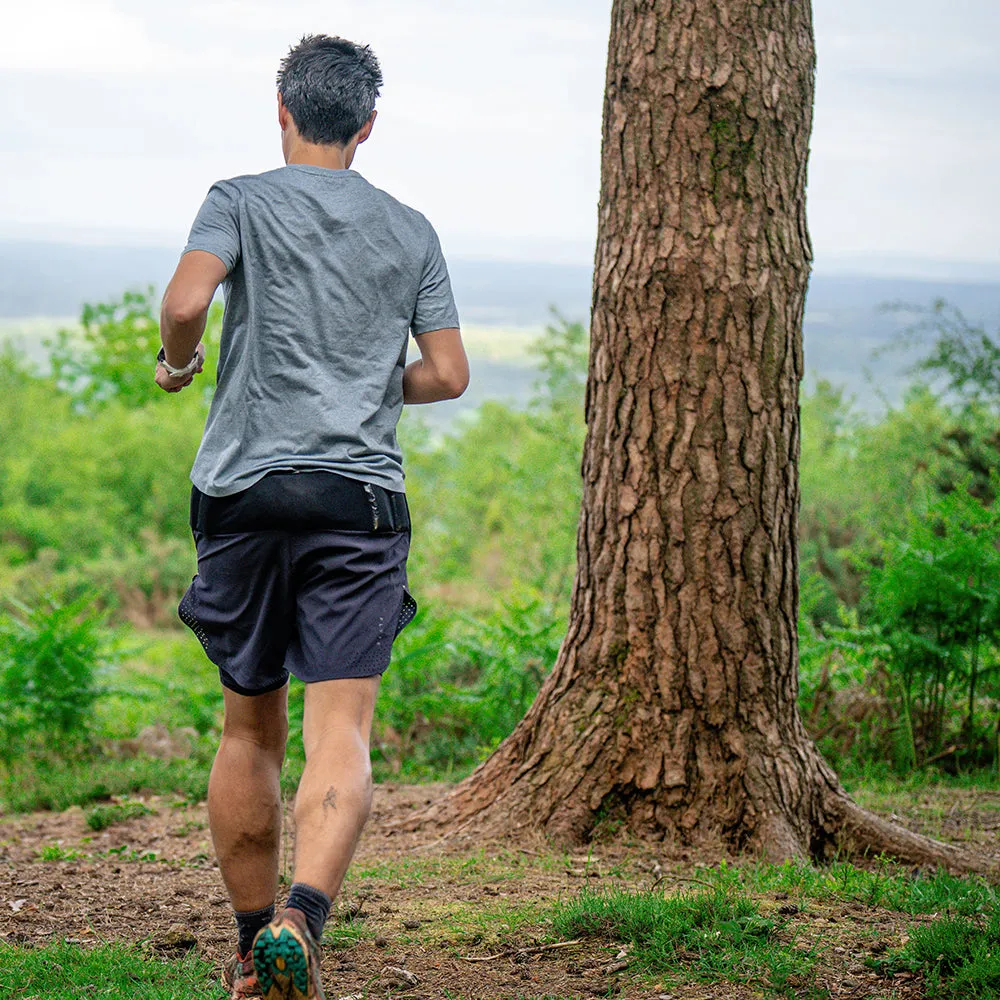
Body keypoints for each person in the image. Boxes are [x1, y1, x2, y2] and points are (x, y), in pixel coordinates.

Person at [155, 33, 469, 1000]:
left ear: (282, 110)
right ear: (367, 127)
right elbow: (448, 374)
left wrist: (179, 363)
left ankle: (252, 945)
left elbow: (185, 301)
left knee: (248, 729)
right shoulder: (409, 227)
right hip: (359, 500)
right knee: (344, 727)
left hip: (244, 493)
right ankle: (304, 917)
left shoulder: (238, 199)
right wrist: (369, 389)